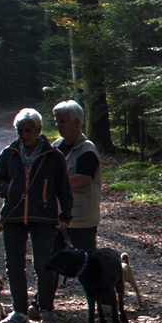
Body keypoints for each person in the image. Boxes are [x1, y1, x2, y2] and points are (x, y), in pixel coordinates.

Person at [0, 108, 73, 323]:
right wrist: (9, 190)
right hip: (13, 216)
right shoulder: (9, 152)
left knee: (45, 264)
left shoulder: (54, 156)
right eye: (20, 130)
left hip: (44, 217)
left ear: (38, 130)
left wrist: (65, 216)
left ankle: (46, 308)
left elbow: (63, 189)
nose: (23, 135)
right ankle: (19, 311)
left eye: (28, 130)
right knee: (14, 264)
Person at [51, 100, 102, 253]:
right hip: (59, 216)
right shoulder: (56, 146)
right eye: (57, 121)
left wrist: (54, 183)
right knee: (55, 260)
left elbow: (83, 178)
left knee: (86, 263)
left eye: (63, 121)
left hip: (81, 220)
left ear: (77, 122)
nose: (59, 125)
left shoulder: (87, 149)